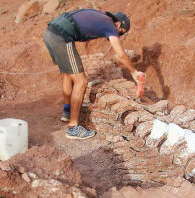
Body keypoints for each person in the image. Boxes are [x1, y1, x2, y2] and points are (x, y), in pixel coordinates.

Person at [43, 9, 144, 139]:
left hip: (50, 32)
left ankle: (67, 112)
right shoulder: (110, 26)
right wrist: (135, 73)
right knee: (81, 81)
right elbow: (121, 55)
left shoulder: (101, 16)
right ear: (118, 24)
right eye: (121, 32)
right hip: (61, 37)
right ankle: (73, 128)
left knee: (67, 73)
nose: (118, 35)